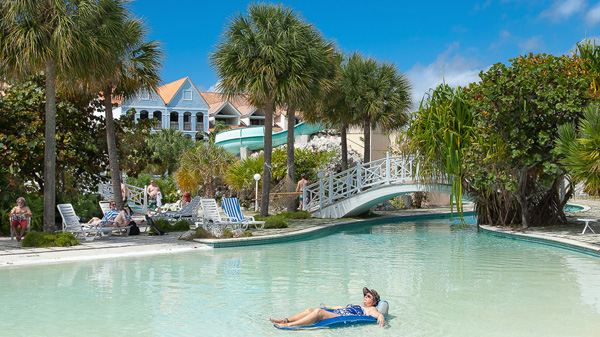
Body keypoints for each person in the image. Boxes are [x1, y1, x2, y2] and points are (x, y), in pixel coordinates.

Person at [270, 287, 385, 328]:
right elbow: (342, 307)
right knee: (310, 310)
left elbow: (376, 314)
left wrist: (380, 315)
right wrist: (327, 306)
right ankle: (285, 319)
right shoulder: (359, 306)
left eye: (368, 296)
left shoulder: (371, 309)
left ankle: (289, 325)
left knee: (319, 312)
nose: (365, 297)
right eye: (365, 295)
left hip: (341, 316)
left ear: (374, 301)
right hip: (339, 311)